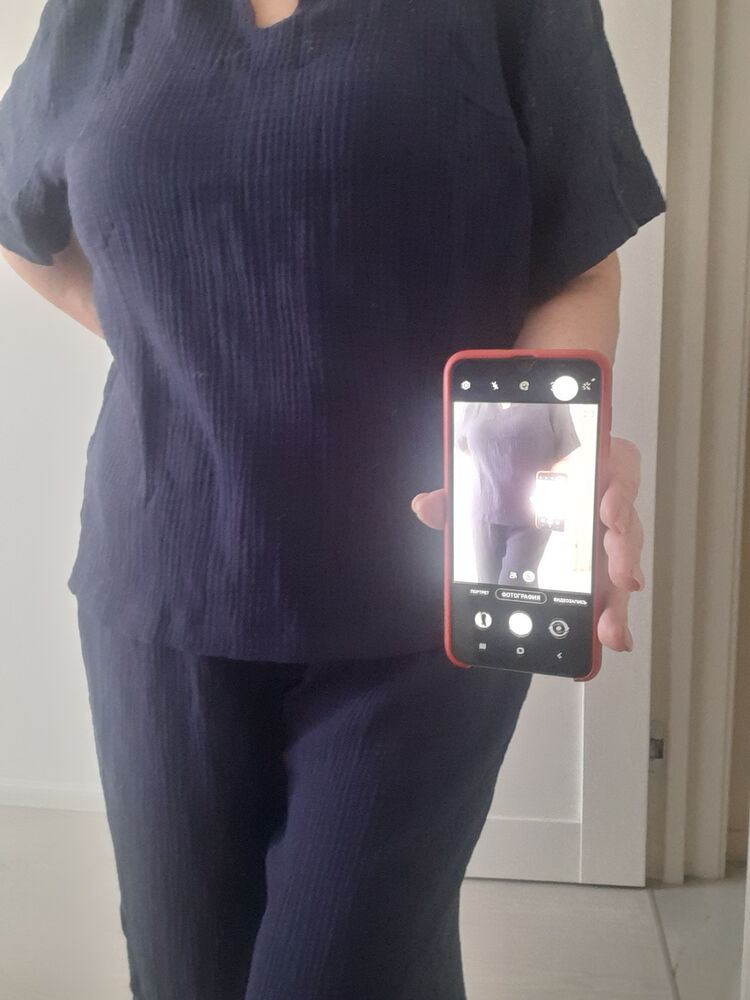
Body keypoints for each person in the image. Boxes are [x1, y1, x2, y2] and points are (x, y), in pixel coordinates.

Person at [0, 1, 664, 997]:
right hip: (164, 587)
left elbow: (578, 264)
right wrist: (179, 343)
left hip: (434, 602)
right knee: (187, 976)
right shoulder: (101, 13)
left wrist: (548, 449)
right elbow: (22, 225)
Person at [456, 401, 582, 585]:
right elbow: (466, 447)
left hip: (532, 516)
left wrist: (550, 491)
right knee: (486, 585)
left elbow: (563, 456)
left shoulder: (550, 401)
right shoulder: (475, 402)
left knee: (514, 586)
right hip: (484, 510)